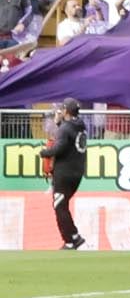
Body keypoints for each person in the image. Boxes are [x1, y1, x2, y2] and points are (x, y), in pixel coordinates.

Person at [44, 95, 85, 249]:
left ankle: (70, 240)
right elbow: (67, 137)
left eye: (61, 108)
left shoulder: (66, 128)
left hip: (64, 173)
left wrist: (45, 153)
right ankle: (74, 236)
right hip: (77, 173)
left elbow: (59, 147)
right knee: (62, 205)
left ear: (66, 111)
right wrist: (58, 123)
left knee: (59, 205)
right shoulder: (80, 126)